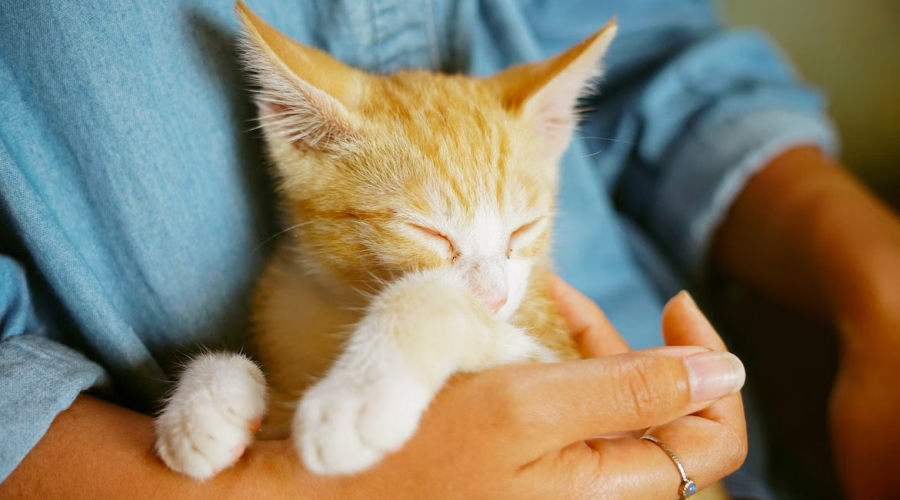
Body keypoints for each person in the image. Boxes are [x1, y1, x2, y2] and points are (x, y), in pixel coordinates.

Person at [0, 0, 896, 499]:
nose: (498, 286)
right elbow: (302, 448)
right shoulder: (292, 271)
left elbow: (659, 60)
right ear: (301, 140)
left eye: (520, 237)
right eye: (432, 235)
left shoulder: (502, 261)